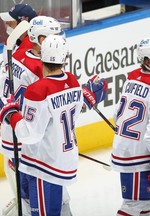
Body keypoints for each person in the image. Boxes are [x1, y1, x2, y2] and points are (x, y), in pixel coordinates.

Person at [0, 34, 107, 215]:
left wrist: (10, 113)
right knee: (59, 207)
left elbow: (29, 135)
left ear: (41, 57)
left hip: (44, 166)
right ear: (64, 58)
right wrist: (88, 98)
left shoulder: (38, 89)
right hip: (63, 161)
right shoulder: (73, 81)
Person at [0, 15, 66, 215]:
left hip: (10, 137)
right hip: (30, 143)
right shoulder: (42, 69)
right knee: (56, 201)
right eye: (53, 36)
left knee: (27, 201)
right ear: (41, 40)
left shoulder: (18, 55)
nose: (59, 41)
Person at [110, 36, 150, 216]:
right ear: (147, 60)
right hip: (138, 156)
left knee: (144, 205)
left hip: (126, 149)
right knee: (134, 205)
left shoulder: (132, 77)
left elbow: (117, 115)